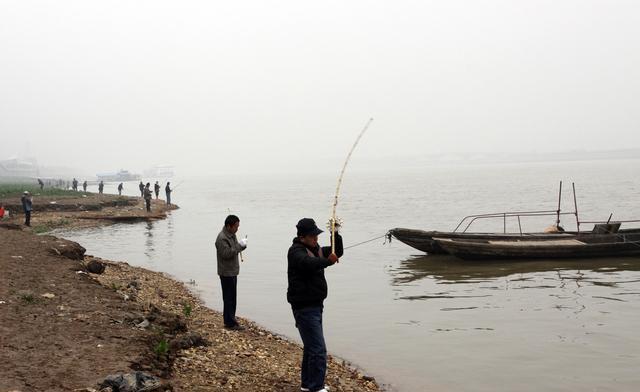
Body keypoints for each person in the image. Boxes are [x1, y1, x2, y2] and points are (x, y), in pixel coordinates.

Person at [287, 218, 343, 392]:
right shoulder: (295, 251)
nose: (316, 238)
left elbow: (337, 251)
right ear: (302, 236)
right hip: (304, 308)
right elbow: (307, 264)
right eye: (313, 236)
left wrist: (335, 232)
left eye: (317, 235)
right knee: (318, 349)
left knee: (311, 348)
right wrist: (328, 261)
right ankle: (317, 387)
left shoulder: (316, 250)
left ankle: (307, 384)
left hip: (316, 305)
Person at [215, 215, 248, 330]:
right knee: (229, 298)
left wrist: (242, 246)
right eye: (236, 227)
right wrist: (239, 246)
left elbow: (234, 249)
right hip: (226, 272)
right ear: (229, 226)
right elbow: (226, 254)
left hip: (232, 271)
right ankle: (229, 322)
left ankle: (231, 319)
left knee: (232, 297)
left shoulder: (231, 235)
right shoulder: (222, 238)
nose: (237, 229)